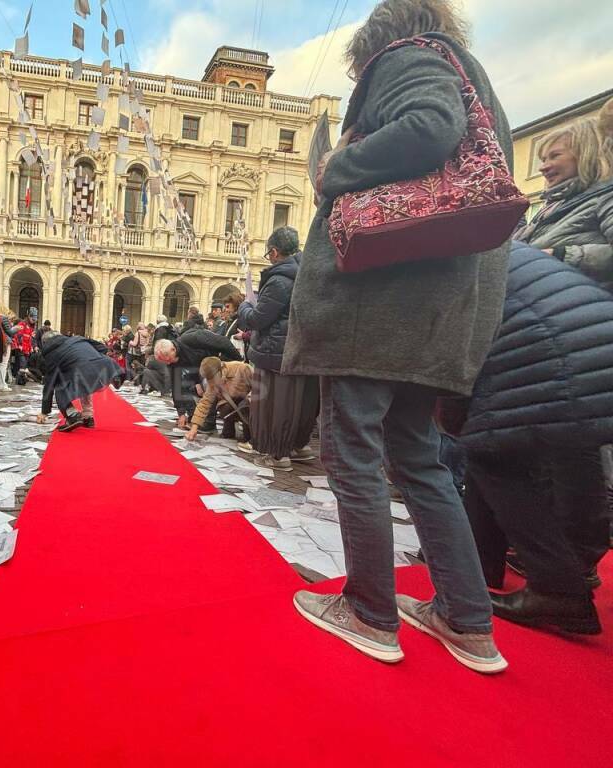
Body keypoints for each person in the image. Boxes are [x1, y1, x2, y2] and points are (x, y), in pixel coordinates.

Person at [283, 0, 511, 674]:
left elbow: (429, 126)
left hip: (378, 302)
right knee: (417, 458)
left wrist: (336, 172)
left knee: (351, 446)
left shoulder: (409, 56)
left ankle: (370, 611)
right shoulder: (474, 76)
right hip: (434, 309)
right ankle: (467, 621)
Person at [441, 243, 613, 634]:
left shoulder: (445, 254)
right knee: (572, 448)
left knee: (489, 454)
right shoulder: (496, 242)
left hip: (551, 350)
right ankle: (573, 565)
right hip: (595, 334)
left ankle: (557, 589)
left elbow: (453, 348)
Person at [237, 227, 319, 472]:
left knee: (275, 404)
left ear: (274, 252)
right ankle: (298, 446)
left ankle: (277, 453)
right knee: (301, 403)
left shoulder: (279, 279)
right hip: (304, 350)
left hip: (276, 352)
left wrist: (244, 307)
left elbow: (259, 319)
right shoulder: (310, 273)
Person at [514, 102, 613, 292]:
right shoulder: (556, 206)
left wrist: (562, 255)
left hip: (583, 312)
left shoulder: (605, 197)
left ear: (586, 154)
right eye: (543, 159)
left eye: (554, 156)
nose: (543, 167)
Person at [36, 330, 124, 432]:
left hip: (82, 372)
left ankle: (72, 415)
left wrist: (44, 411)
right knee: (85, 385)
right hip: (105, 367)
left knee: (60, 385)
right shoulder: (77, 338)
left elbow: (49, 383)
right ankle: (88, 417)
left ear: (45, 343)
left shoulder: (51, 354)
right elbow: (102, 347)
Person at [154, 329, 242, 429]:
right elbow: (176, 387)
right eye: (165, 362)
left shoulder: (192, 339)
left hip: (220, 365)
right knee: (185, 386)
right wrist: (181, 413)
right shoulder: (172, 360)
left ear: (173, 349)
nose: (169, 363)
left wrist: (238, 363)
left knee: (207, 384)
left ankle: (209, 421)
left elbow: (223, 343)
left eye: (169, 359)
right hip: (202, 372)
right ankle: (193, 417)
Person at [185, 357, 253, 446]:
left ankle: (251, 436)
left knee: (245, 407)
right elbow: (204, 404)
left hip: (249, 402)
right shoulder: (212, 382)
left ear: (221, 369)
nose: (211, 382)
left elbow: (259, 386)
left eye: (213, 378)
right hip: (231, 403)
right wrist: (194, 428)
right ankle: (229, 430)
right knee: (224, 408)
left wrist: (250, 397)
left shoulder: (242, 368)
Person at [11, 309, 38, 385]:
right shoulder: (22, 324)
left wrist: (33, 346)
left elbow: (31, 338)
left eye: (35, 319)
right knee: (22, 365)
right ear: (29, 316)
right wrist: (19, 345)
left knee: (24, 365)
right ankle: (20, 380)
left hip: (27, 349)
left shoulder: (31, 326)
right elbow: (18, 335)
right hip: (21, 349)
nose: (34, 321)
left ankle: (20, 380)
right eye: (33, 319)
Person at [220, 291, 247, 357]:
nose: (226, 310)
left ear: (235, 305)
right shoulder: (231, 320)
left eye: (228, 306)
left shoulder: (241, 320)